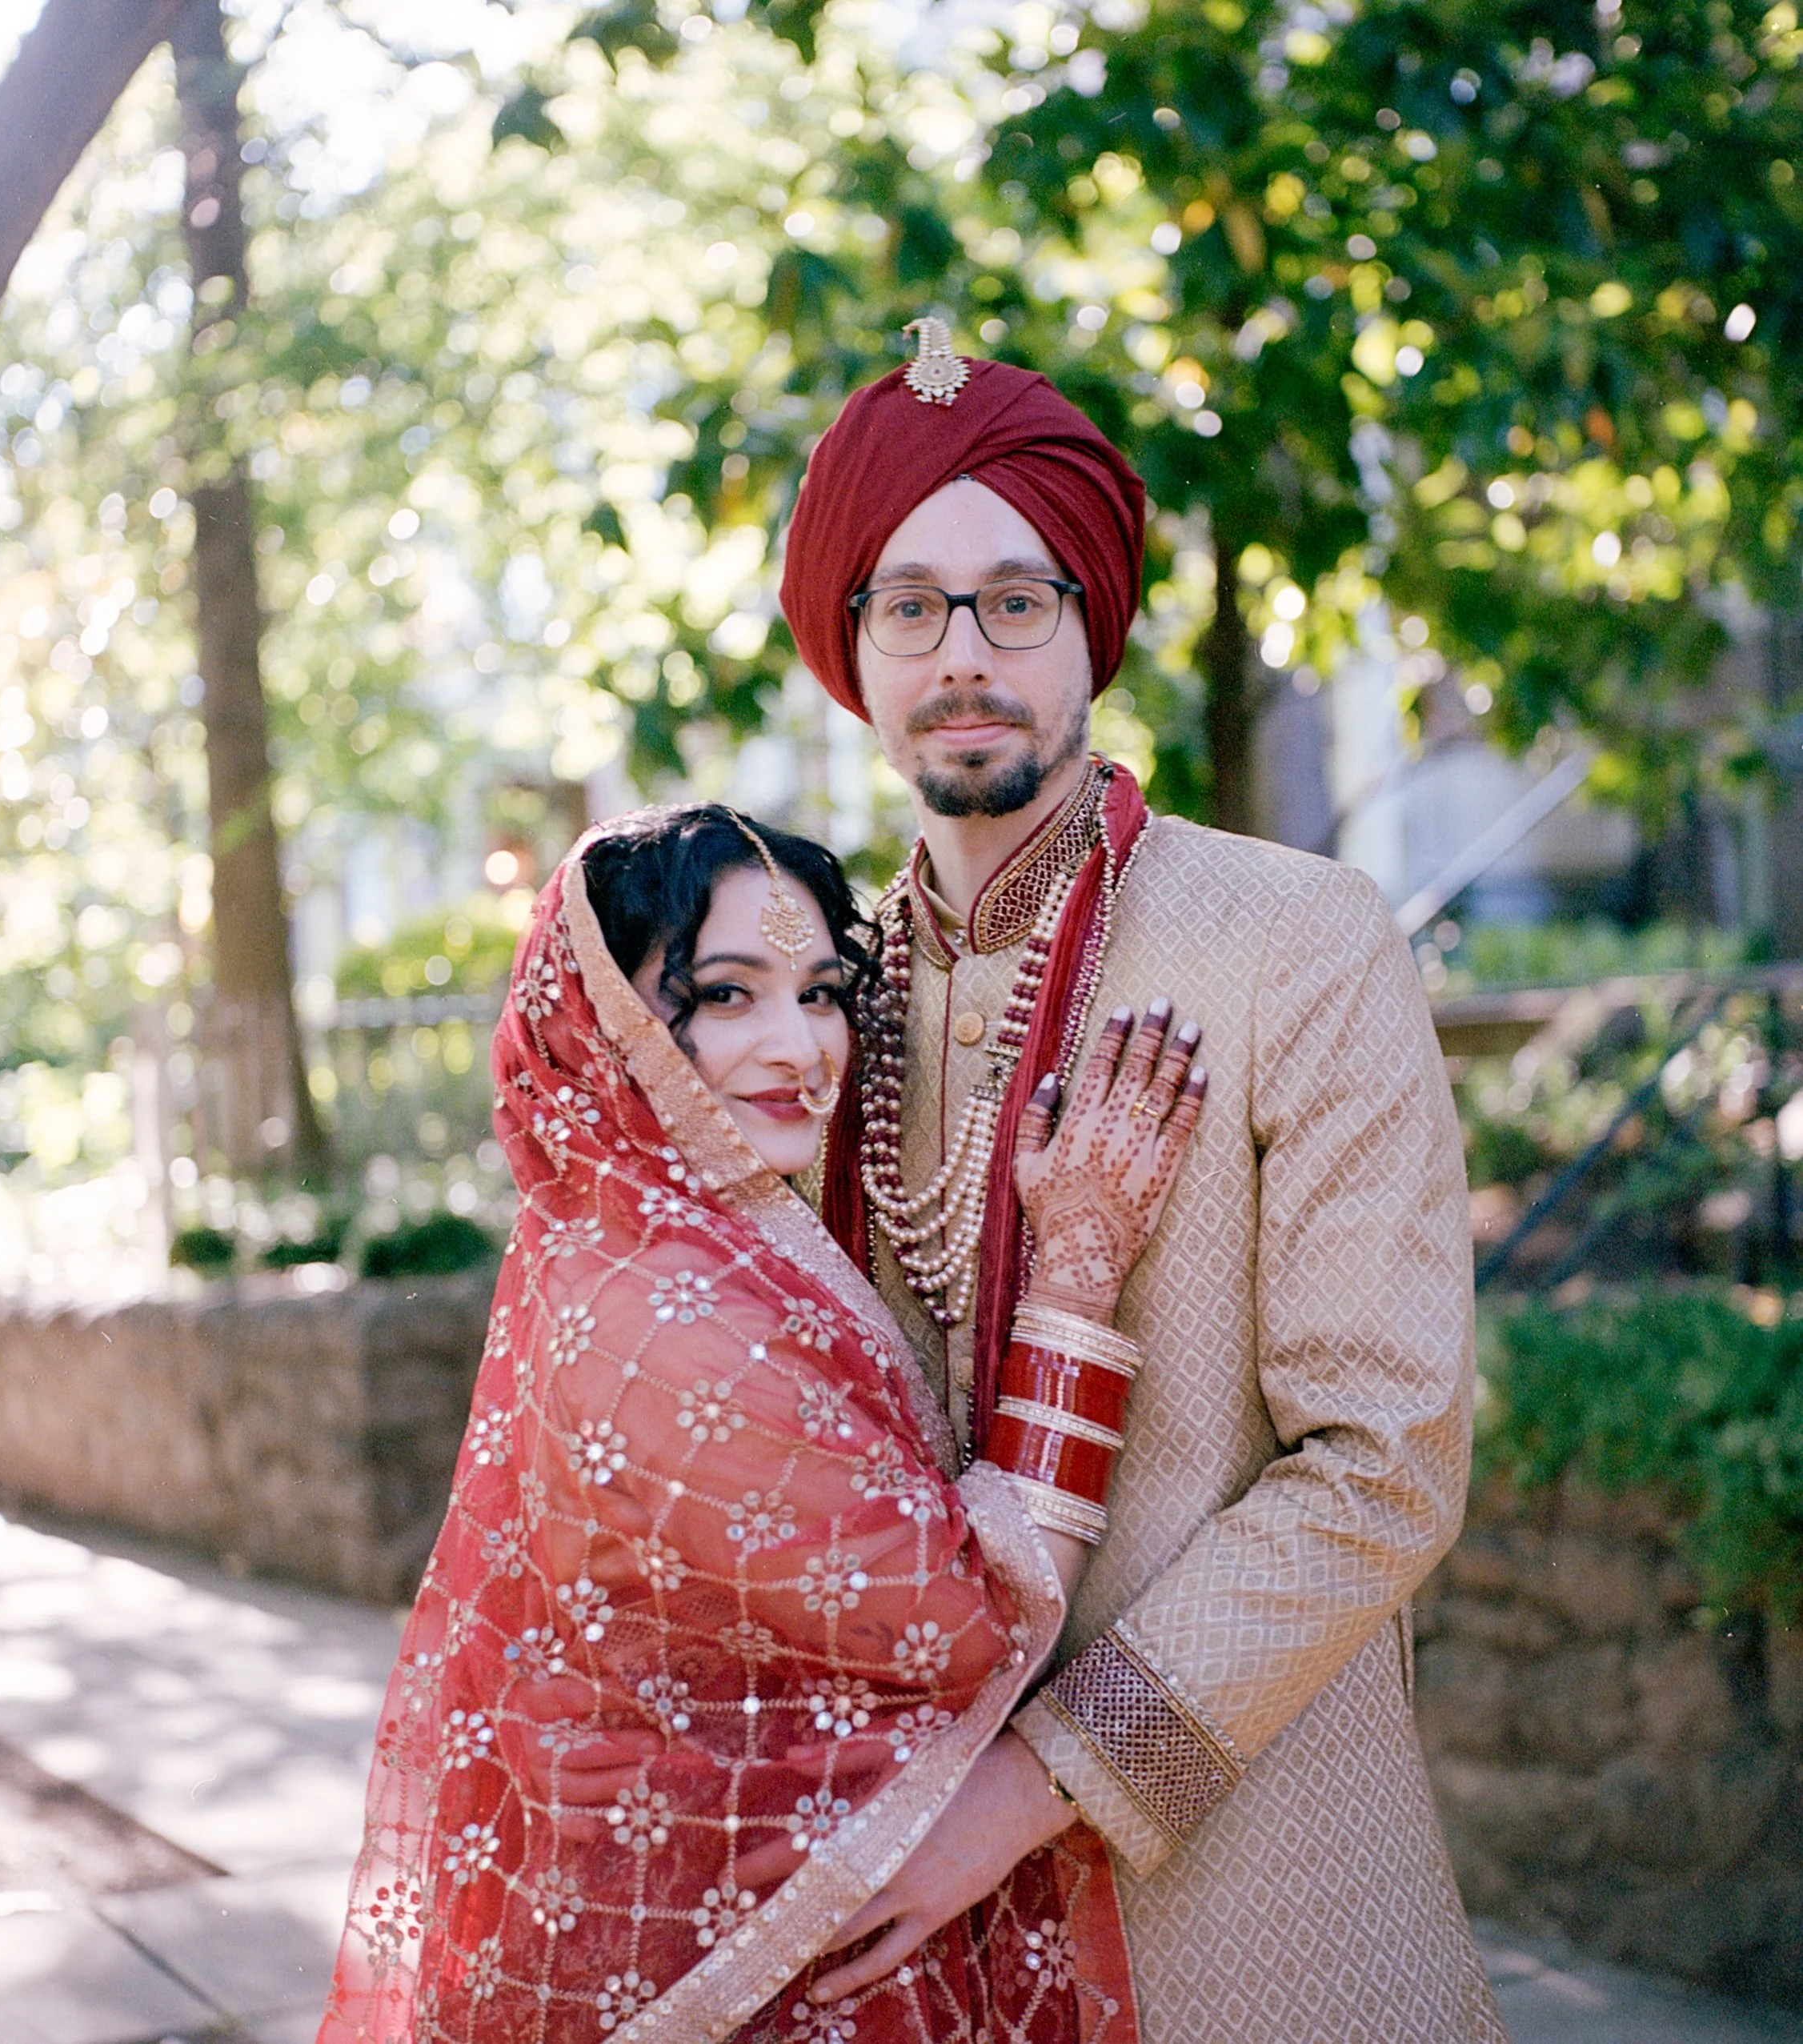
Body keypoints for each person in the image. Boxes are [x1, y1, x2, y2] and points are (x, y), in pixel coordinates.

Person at [775, 323, 1506, 2042]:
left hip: (1253, 1884)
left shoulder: (1294, 939)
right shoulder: (816, 1003)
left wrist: (1034, 1780)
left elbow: (1384, 1461)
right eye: (909, 604)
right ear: (853, 649)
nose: (964, 652)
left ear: (1089, 622)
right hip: (893, 1893)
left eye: (1015, 600)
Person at [316, 802, 1205, 2044]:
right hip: (726, 1971)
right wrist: (1078, 1270)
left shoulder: (656, 1240)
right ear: (607, 1023)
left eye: (823, 991)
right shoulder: (665, 1322)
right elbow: (971, 1617)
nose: (801, 1047)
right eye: (727, 996)